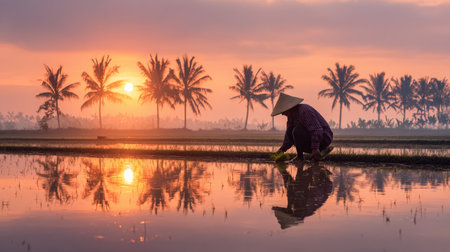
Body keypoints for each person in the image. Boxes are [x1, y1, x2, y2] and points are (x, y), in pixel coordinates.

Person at [272, 93, 333, 162]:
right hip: (310, 142)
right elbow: (288, 137)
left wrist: (315, 148)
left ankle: (320, 150)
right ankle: (300, 157)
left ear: (289, 108)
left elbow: (317, 130)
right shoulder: (291, 117)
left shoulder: (304, 111)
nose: (282, 114)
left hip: (323, 139)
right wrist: (282, 150)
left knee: (297, 130)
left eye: (283, 111)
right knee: (290, 131)